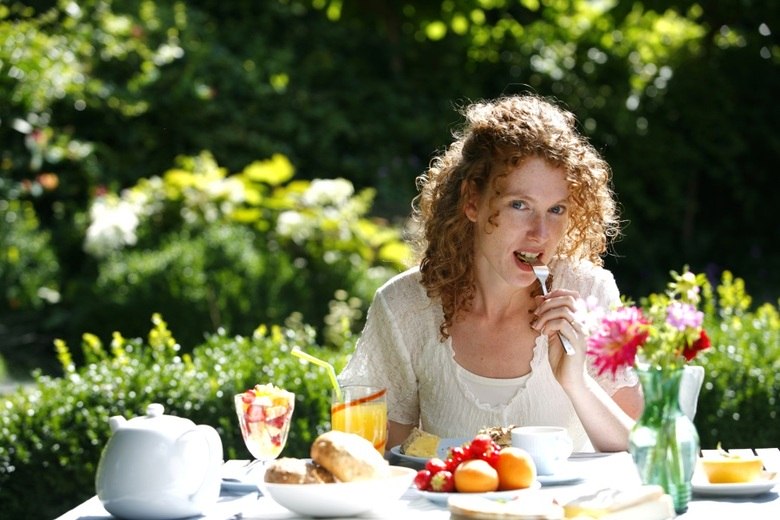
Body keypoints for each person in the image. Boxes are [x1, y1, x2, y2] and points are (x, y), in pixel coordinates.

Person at [337, 93, 643, 453]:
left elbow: (642, 454)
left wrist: (576, 382)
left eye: (556, 209)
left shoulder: (590, 294)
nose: (541, 233)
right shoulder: (406, 308)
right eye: (519, 205)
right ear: (472, 201)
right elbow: (376, 461)